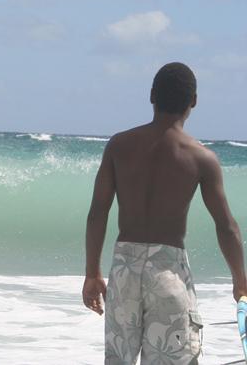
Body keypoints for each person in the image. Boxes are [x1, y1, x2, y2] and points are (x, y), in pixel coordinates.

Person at [83, 62, 247, 364]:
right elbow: (226, 226)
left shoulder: (118, 146)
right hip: (168, 274)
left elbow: (97, 213)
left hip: (124, 273)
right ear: (193, 101)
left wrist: (92, 272)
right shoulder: (201, 158)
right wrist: (240, 281)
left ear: (151, 97)